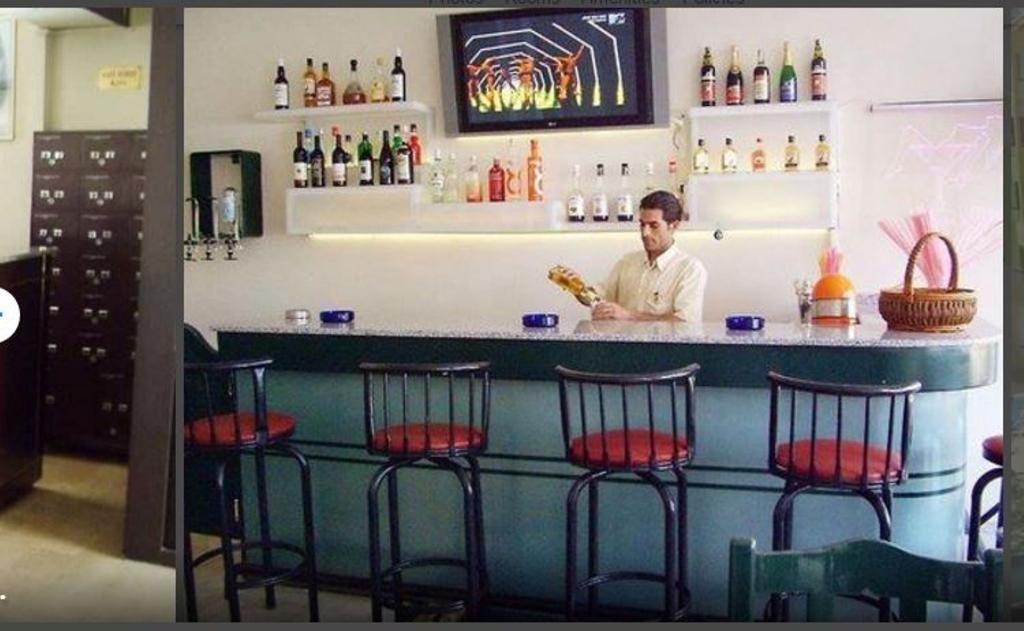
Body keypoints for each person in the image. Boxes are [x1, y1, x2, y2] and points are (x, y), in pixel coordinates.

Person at [591, 191, 706, 322]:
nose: (645, 233)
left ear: (674, 226)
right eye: (642, 224)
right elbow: (597, 296)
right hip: (621, 336)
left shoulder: (689, 269)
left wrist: (629, 316)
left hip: (662, 338)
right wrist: (576, 285)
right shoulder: (627, 262)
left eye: (654, 226)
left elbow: (684, 322)